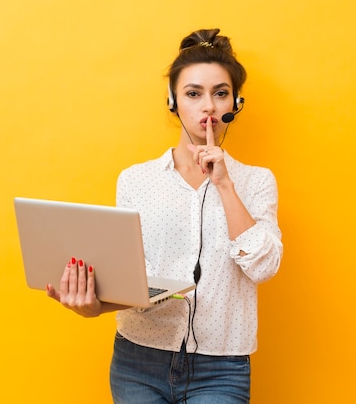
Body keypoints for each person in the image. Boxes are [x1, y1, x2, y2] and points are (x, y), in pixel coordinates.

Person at [46, 28, 283, 403]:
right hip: (138, 361)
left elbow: (264, 266)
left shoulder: (255, 182)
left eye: (220, 94)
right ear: (173, 102)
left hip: (221, 368)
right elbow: (132, 277)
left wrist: (224, 185)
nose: (208, 106)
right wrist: (93, 306)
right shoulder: (136, 180)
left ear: (235, 104)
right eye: (193, 94)